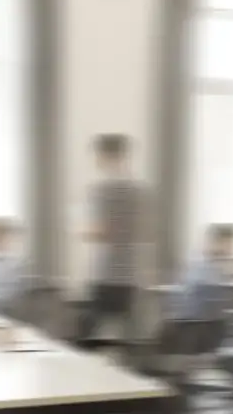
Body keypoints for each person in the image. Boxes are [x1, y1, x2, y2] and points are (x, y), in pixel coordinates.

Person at [76, 134, 148, 344]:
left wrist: (82, 231)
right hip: (131, 272)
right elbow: (143, 231)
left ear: (104, 155)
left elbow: (100, 231)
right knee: (127, 339)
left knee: (88, 339)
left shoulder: (101, 190)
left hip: (105, 272)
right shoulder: (138, 191)